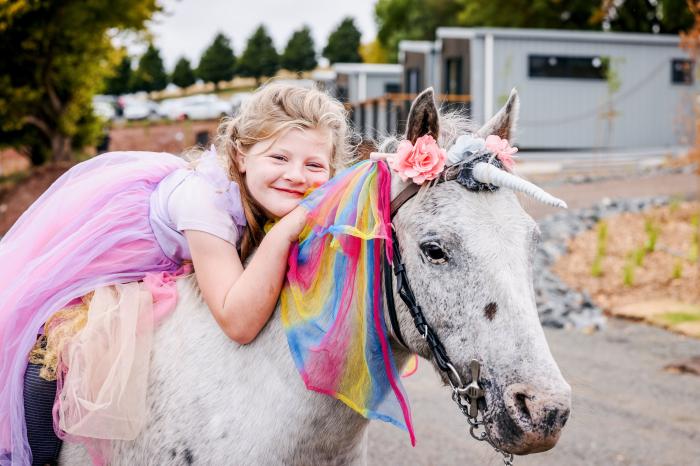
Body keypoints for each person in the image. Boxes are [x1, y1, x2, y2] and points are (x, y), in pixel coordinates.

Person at [0, 83, 354, 466]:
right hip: (106, 265)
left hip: (172, 267)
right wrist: (290, 227)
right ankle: (31, 454)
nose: (297, 176)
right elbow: (238, 320)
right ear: (241, 156)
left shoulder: (273, 195)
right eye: (279, 157)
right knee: (52, 354)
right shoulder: (209, 202)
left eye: (315, 165)